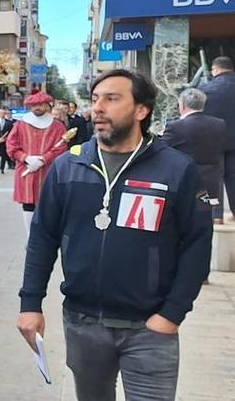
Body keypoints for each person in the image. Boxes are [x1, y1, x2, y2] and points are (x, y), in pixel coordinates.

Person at [18, 69, 213, 401]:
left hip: (150, 330)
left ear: (141, 110)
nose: (98, 108)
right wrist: (30, 303)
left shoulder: (176, 169)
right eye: (95, 100)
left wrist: (172, 314)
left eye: (112, 99)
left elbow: (197, 244)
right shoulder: (69, 168)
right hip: (84, 325)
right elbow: (43, 238)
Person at [7, 91, 70, 236]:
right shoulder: (20, 125)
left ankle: (45, 235)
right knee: (28, 203)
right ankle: (30, 235)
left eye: (40, 104)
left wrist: (44, 159)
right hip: (26, 171)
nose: (37, 107)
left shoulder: (57, 126)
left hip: (48, 171)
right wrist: (25, 158)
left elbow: (61, 148)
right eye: (34, 105)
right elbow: (11, 145)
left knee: (48, 202)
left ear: (47, 106)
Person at [161, 88, 226, 224]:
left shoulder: (175, 127)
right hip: (212, 179)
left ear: (182, 105)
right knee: (205, 218)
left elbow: (161, 149)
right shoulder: (219, 124)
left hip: (185, 180)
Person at [199, 55, 235, 221]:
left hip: (213, 140)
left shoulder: (206, 89)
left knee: (214, 179)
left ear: (216, 70)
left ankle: (216, 215)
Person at [0, 108, 15, 175]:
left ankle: (2, 169)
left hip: (4, 143)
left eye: (4, 113)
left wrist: (5, 139)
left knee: (4, 156)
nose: (2, 114)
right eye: (1, 113)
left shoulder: (9, 123)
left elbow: (11, 133)